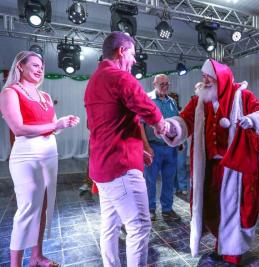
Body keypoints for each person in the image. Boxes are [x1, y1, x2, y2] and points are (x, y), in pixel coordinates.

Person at [161, 59, 259, 266]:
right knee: (212, 207)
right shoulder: (199, 101)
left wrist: (253, 121)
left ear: (221, 78)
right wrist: (170, 126)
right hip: (209, 168)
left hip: (234, 167)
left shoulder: (242, 96)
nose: (205, 81)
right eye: (203, 78)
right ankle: (220, 245)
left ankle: (233, 251)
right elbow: (184, 120)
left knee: (235, 208)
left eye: (209, 78)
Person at [84, 32, 167, 267]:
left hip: (102, 167)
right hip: (119, 168)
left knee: (109, 226)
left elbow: (103, 125)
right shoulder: (119, 76)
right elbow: (146, 107)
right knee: (139, 226)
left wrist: (136, 149)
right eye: (132, 55)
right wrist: (161, 123)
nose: (133, 61)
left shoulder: (93, 82)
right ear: (121, 51)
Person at [0, 51, 79, 267]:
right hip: (26, 156)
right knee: (27, 209)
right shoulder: (10, 92)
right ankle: (15, 264)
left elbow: (51, 128)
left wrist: (63, 122)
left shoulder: (44, 96)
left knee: (43, 207)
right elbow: (19, 128)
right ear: (20, 67)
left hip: (48, 155)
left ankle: (37, 256)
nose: (39, 70)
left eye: (42, 67)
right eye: (34, 65)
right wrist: (56, 125)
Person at [142, 74, 180, 221]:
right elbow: (140, 125)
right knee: (150, 180)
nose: (165, 86)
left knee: (169, 179)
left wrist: (179, 141)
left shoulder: (172, 102)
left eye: (167, 84)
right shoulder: (147, 100)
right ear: (154, 84)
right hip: (153, 147)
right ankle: (150, 209)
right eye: (162, 84)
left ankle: (167, 209)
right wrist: (146, 146)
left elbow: (176, 122)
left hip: (171, 148)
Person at [169, 92, 189, 196]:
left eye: (176, 98)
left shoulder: (181, 111)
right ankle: (175, 187)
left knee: (181, 164)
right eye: (172, 98)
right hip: (170, 140)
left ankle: (183, 186)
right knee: (172, 165)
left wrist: (182, 141)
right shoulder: (166, 112)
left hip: (181, 140)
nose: (174, 100)